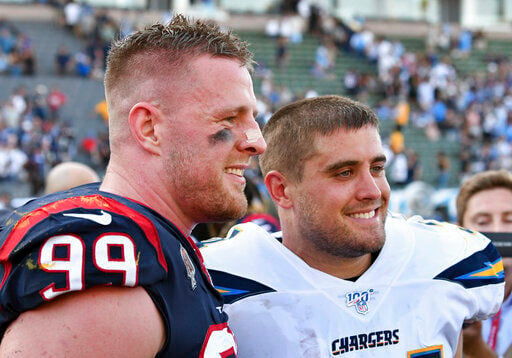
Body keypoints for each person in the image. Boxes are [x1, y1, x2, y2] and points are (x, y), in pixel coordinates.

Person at [0, 15, 265, 357]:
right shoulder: (111, 264)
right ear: (150, 128)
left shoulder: (152, 236)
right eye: (229, 118)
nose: (258, 142)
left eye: (252, 117)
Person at [201, 95, 504, 357]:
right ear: (281, 190)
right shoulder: (216, 279)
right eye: (344, 173)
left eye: (376, 168)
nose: (372, 191)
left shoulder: (455, 258)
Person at [457, 170, 512, 358]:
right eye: (483, 221)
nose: (497, 230)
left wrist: (475, 349)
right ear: (460, 229)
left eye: (509, 220)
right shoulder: (438, 299)